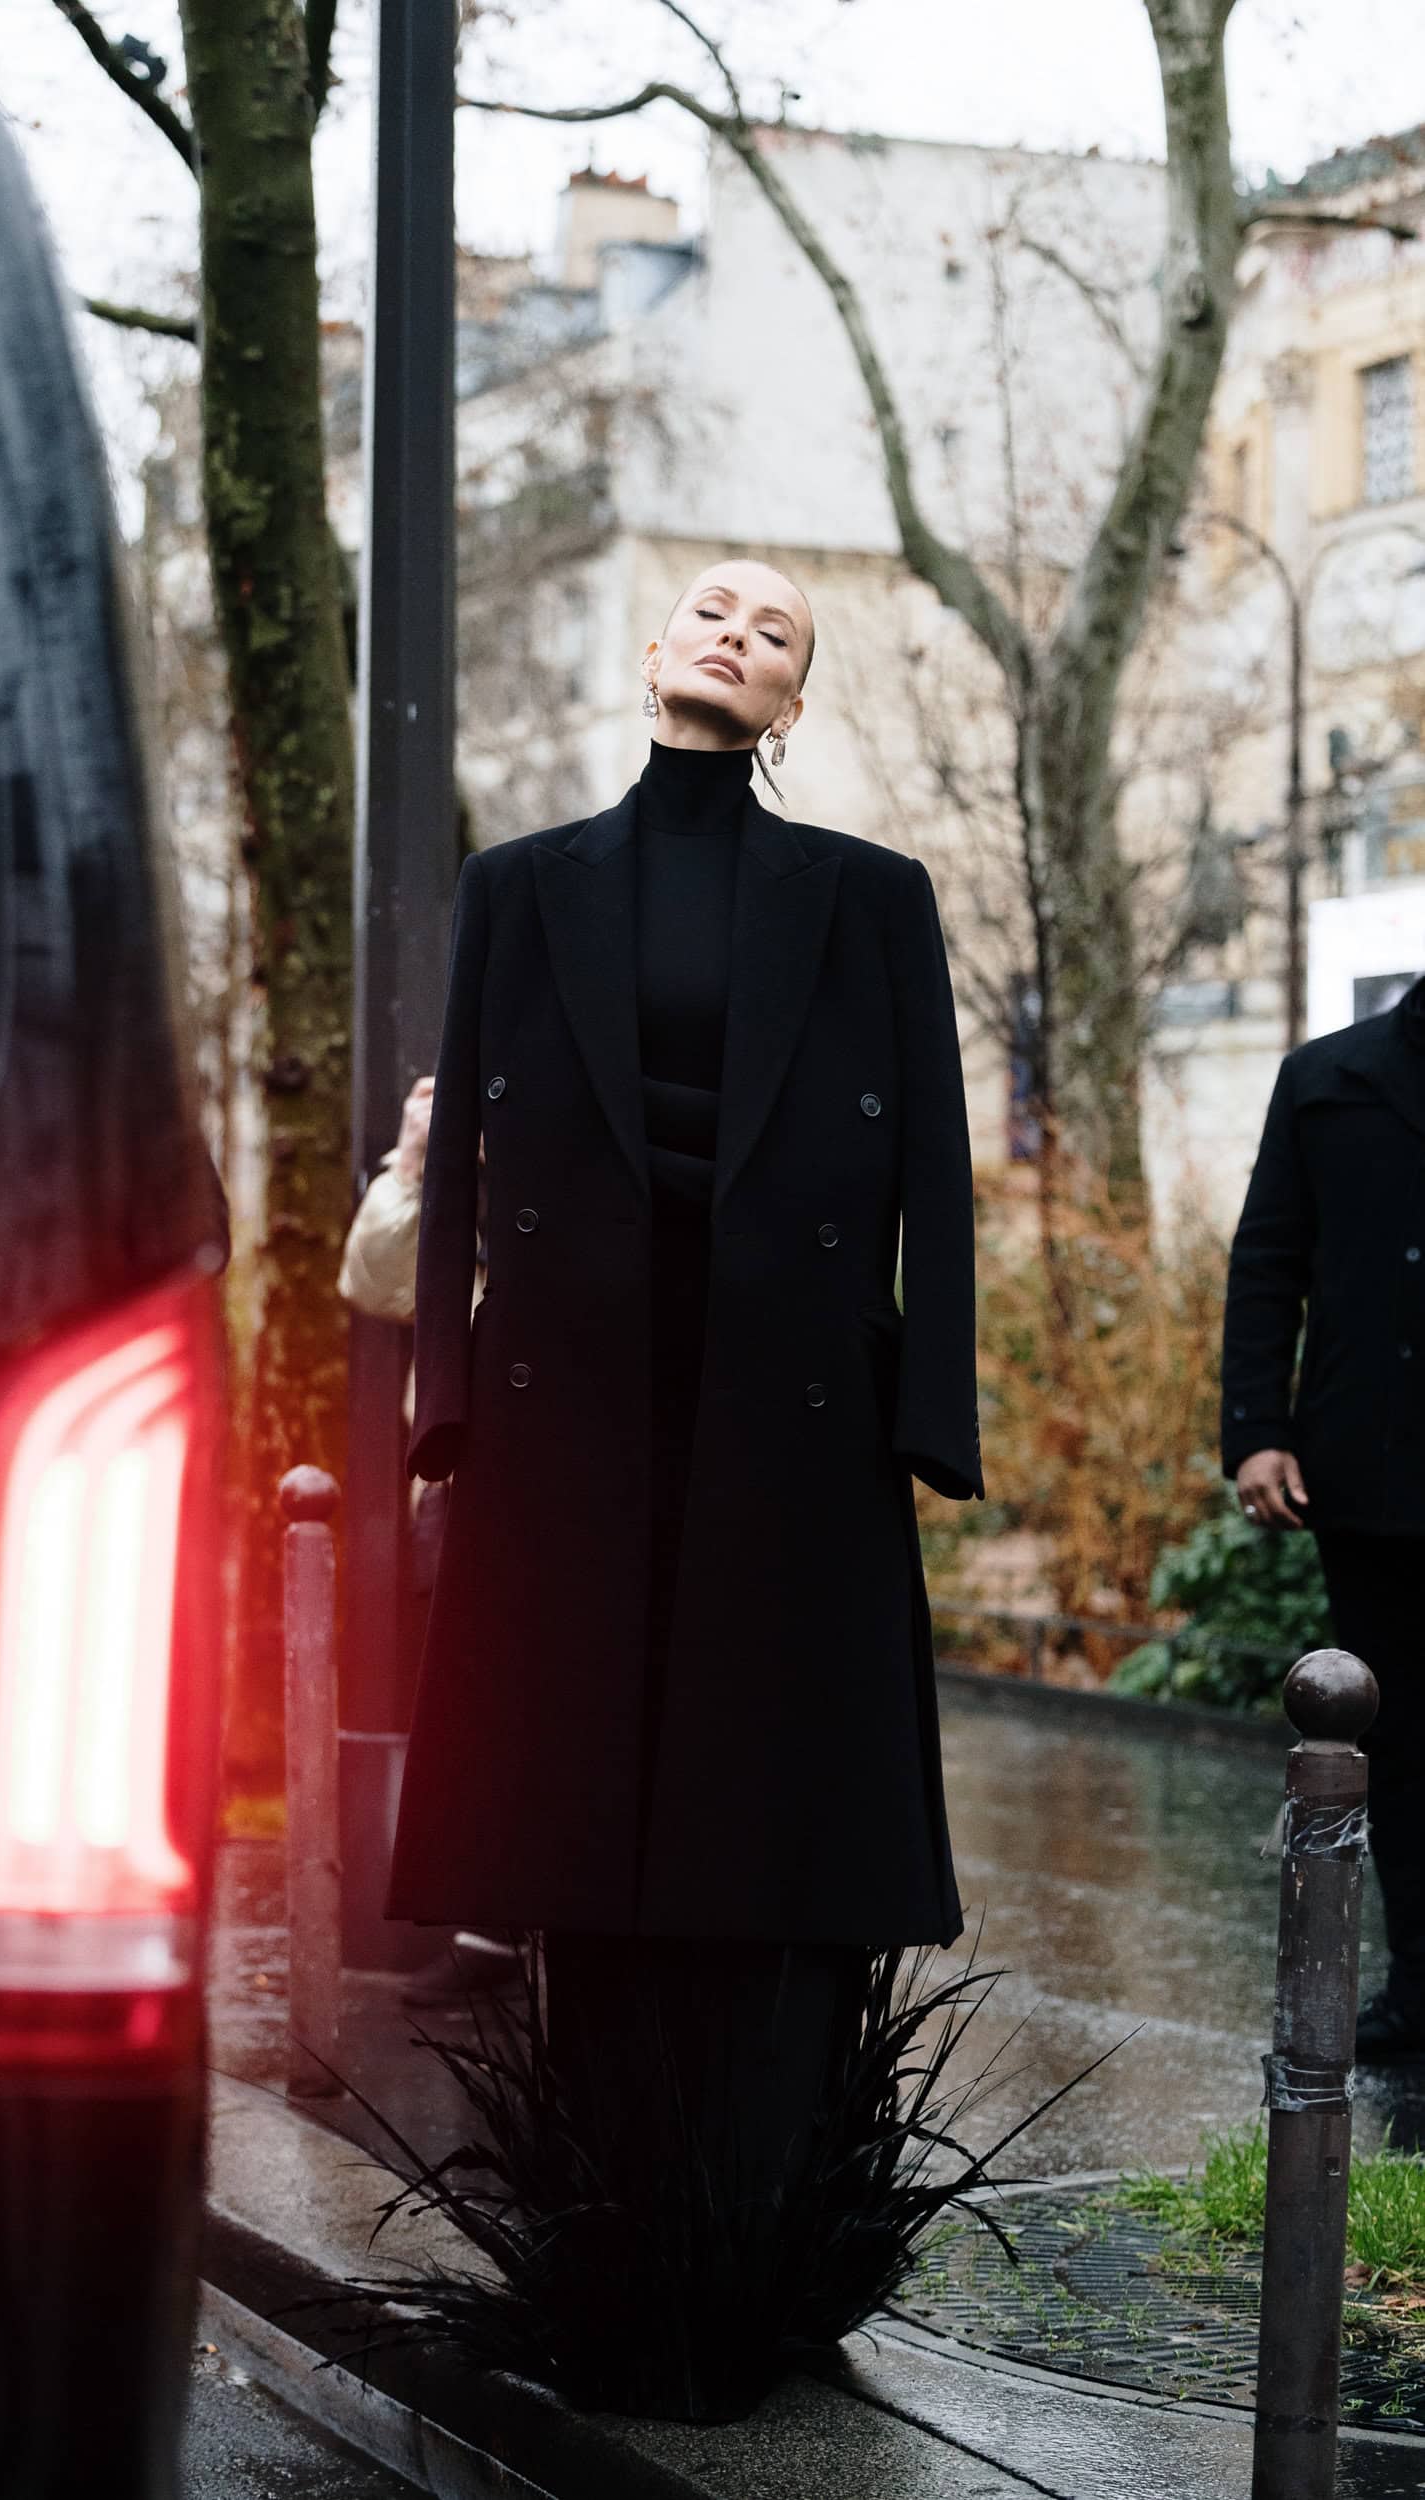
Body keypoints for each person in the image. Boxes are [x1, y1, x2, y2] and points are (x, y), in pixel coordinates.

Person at [386, 556, 983, 2312]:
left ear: (791, 704)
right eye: (712, 610)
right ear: (654, 654)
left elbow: (934, 1166)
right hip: (565, 1405)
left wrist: (924, 1413)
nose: (738, 631)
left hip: (787, 1407)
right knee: (577, 1791)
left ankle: (759, 2209)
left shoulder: (872, 899)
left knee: (762, 1790)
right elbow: (457, 1188)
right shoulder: (520, 889)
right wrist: (442, 1395)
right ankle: (605, 2213)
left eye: (776, 632)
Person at [1222, 975, 1425, 2060]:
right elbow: (1264, 1263)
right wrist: (1255, 1428)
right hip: (1369, 1476)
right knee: (1392, 1744)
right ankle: (1418, 1991)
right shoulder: (1323, 1081)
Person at [338, 1078, 517, 2009]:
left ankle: (518, 1925)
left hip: (562, 1464)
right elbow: (371, 1280)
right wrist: (417, 1159)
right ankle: (491, 1928)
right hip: (463, 1474)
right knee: (467, 1697)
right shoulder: (449, 1195)